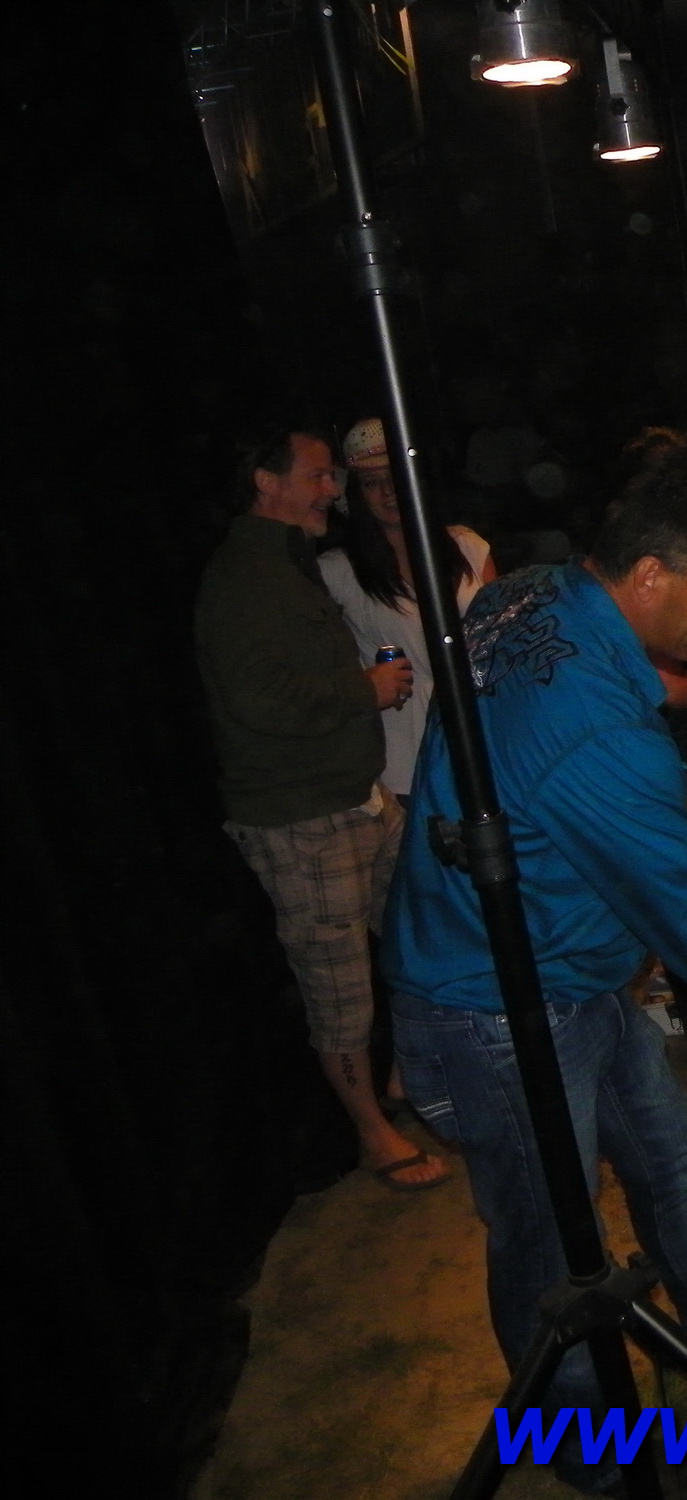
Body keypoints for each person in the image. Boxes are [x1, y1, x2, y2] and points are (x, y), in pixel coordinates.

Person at [381, 451, 687, 1484]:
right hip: (490, 1006)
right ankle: (595, 1457)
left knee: (682, 1180)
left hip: (566, 972)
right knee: (549, 1250)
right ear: (649, 574)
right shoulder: (592, 729)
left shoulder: (527, 591)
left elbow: (584, 782)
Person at [193, 429, 444, 1192]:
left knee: (423, 934)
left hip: (360, 799)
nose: (333, 492)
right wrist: (362, 691)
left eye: (335, 478)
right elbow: (259, 701)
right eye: (317, 476)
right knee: (340, 991)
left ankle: (407, 1078)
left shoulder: (287, 566)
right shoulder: (243, 578)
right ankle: (372, 1135)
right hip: (302, 819)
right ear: (266, 482)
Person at [319, 418, 497, 802]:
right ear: (356, 493)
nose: (388, 491)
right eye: (371, 482)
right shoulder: (336, 571)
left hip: (486, 737)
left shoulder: (467, 546)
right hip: (405, 760)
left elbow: (504, 642)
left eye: (395, 476)